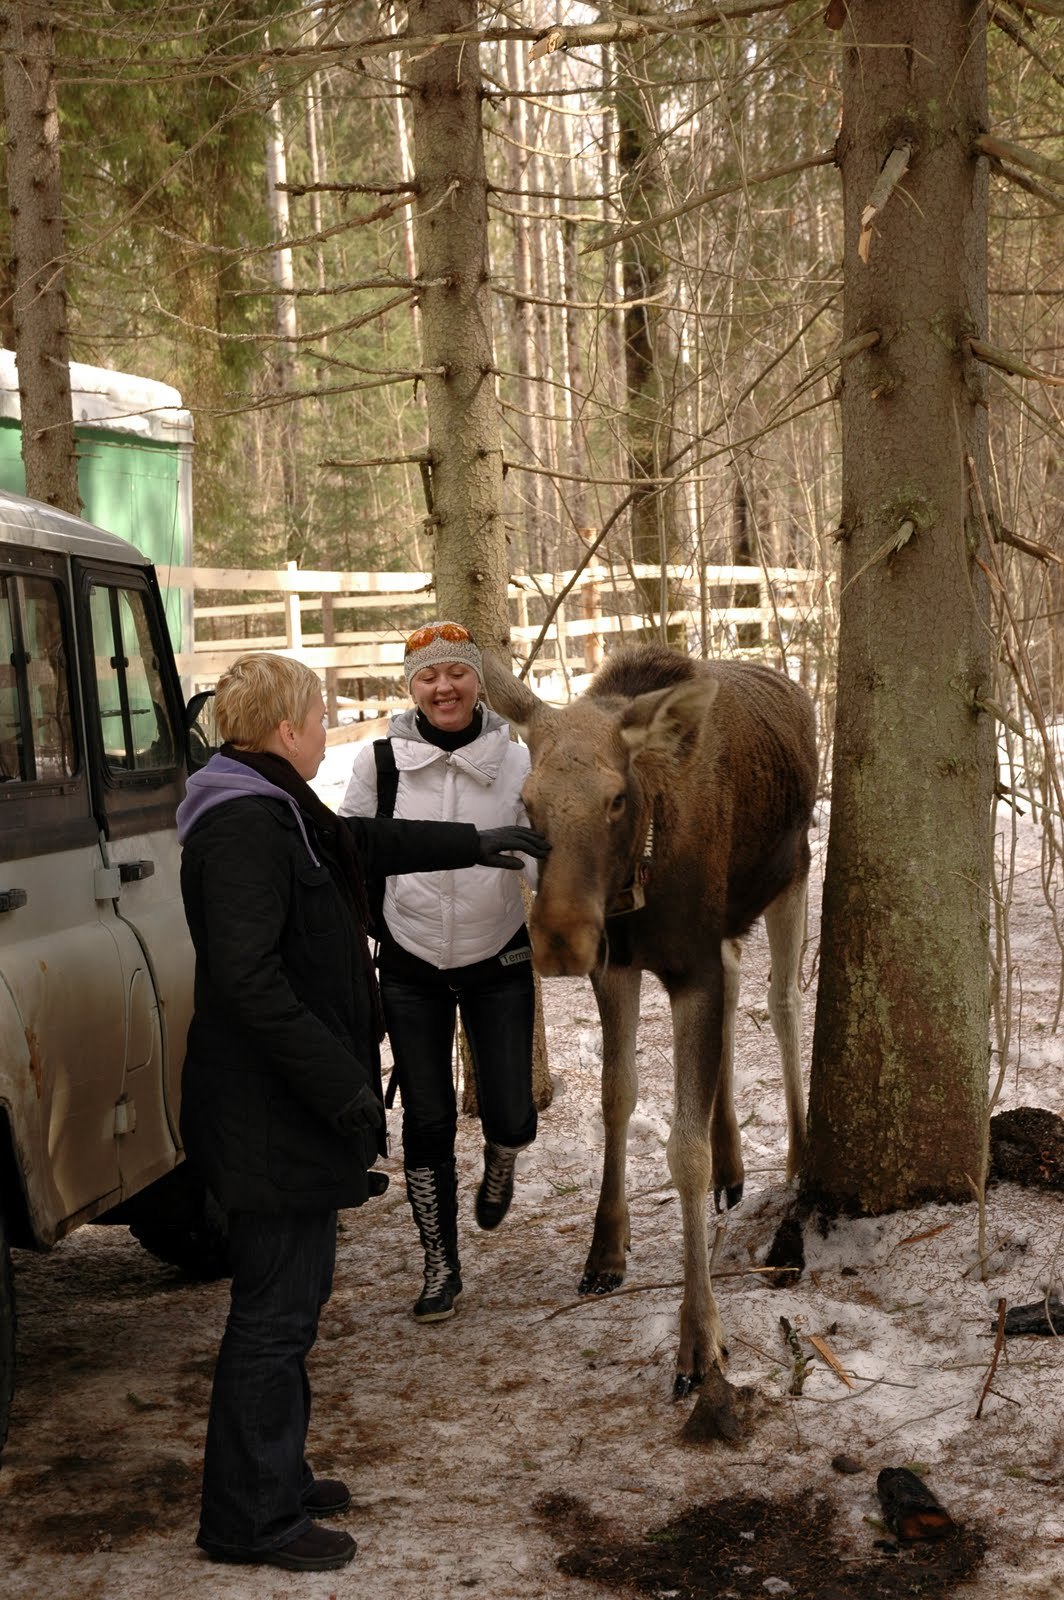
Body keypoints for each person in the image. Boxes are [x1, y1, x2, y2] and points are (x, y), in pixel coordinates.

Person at [176, 651, 546, 1573]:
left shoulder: (276, 804)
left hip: (290, 1108)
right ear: (285, 726)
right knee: (271, 1314)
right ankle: (249, 1520)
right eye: (318, 710)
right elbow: (248, 983)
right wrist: (344, 1088)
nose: (327, 723)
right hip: (273, 1110)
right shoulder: (241, 826)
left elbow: (369, 844)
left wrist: (479, 844)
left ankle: (276, 1476)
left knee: (294, 1306)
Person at [340, 620, 539, 1326]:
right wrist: (371, 922)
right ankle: (439, 1263)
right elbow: (353, 849)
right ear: (411, 687)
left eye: (455, 673)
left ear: (479, 681)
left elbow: (544, 851)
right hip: (411, 959)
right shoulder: (379, 764)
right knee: (426, 1118)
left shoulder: (517, 761)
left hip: (499, 952)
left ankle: (506, 1155)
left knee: (512, 1111)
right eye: (427, 676)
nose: (442, 686)